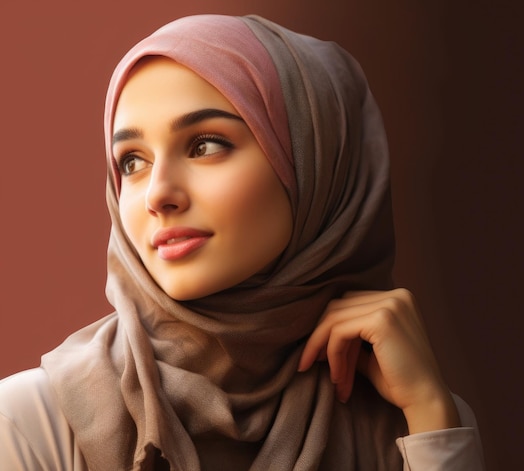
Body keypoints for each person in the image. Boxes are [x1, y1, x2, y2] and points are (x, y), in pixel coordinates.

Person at [0, 14, 484, 470]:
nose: (158, 194)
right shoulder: (31, 421)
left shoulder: (414, 421)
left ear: (312, 163)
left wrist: (430, 413)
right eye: (132, 161)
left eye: (205, 145)